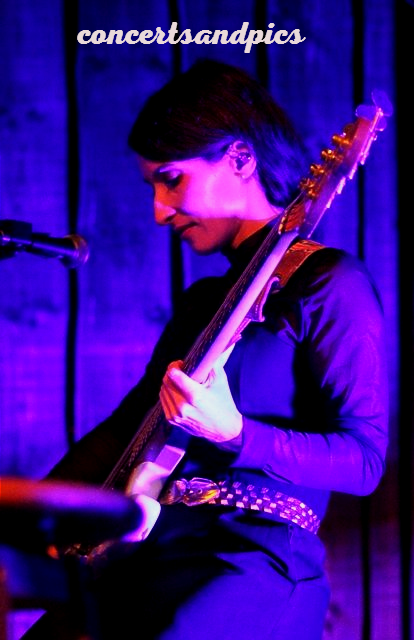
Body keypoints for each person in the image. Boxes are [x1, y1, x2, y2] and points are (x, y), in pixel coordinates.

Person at [21, 58, 389, 640]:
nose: (159, 211)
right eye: (152, 187)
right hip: (149, 556)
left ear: (240, 159)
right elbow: (124, 432)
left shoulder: (330, 283)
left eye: (171, 180)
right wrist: (24, 513)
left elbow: (363, 461)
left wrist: (236, 433)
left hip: (249, 564)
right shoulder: (203, 304)